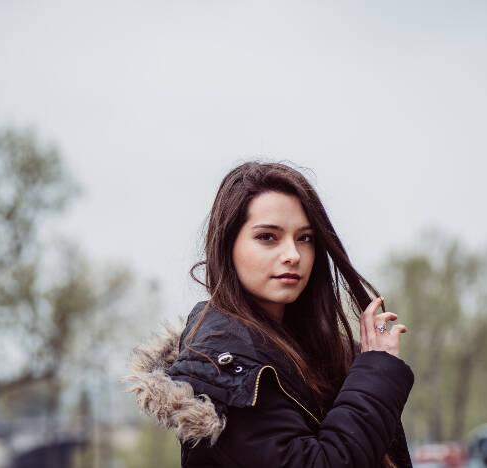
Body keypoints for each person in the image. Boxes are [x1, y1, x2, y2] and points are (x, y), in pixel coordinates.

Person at [125, 161, 414, 467]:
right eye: (267, 237)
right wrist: (375, 374)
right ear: (227, 246)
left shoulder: (315, 352)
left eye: (305, 238)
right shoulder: (222, 365)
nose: (292, 255)